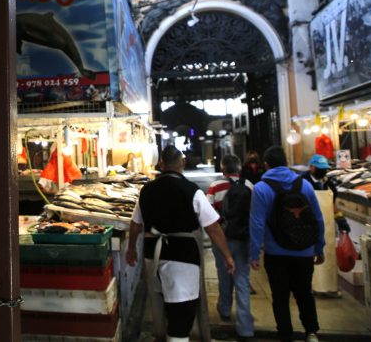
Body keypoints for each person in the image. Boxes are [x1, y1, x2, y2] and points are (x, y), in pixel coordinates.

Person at [127, 145, 235, 342]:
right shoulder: (191, 191)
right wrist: (227, 255)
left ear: (161, 164)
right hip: (182, 258)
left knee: (162, 308)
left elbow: (135, 224)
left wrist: (131, 249)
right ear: (182, 163)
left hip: (153, 257)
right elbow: (213, 227)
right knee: (182, 315)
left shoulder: (147, 190)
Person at [250, 146, 325, 342]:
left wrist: (254, 253)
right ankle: (311, 332)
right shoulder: (305, 186)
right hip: (304, 250)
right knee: (304, 293)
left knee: (280, 296)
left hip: (276, 252)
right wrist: (319, 246)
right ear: (285, 162)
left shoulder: (261, 188)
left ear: (266, 164)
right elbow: (318, 218)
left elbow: (257, 223)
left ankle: (285, 335)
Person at [206, 154, 255, 341]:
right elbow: (255, 213)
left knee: (224, 274)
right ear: (239, 168)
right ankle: (245, 328)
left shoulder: (215, 187)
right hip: (243, 239)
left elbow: (208, 213)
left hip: (222, 239)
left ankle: (225, 309)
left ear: (223, 168)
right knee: (242, 279)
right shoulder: (249, 186)